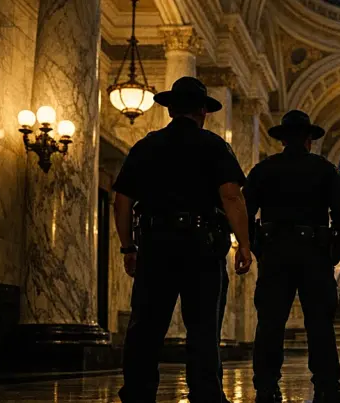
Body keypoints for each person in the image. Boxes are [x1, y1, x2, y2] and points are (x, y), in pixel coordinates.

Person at [114, 77, 253, 403]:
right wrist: (244, 244)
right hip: (202, 247)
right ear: (204, 111)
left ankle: (137, 395)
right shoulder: (214, 146)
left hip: (156, 244)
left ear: (170, 109)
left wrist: (128, 247)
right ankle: (206, 396)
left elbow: (121, 201)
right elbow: (232, 198)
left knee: (145, 328)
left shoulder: (146, 145)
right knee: (203, 330)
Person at [244, 110, 340, 403]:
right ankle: (327, 387)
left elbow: (244, 213)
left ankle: (266, 387)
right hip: (314, 253)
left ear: (282, 140)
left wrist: (258, 248)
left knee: (269, 322)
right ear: (309, 140)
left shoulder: (263, 170)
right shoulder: (325, 169)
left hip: (275, 253)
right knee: (319, 323)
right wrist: (334, 251)